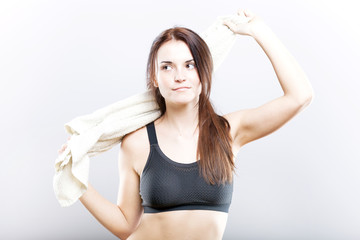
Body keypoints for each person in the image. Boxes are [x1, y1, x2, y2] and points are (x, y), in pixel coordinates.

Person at [58, 9, 313, 240]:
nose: (179, 76)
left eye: (189, 65)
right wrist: (77, 181)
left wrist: (260, 31)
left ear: (203, 73)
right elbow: (126, 226)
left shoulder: (229, 132)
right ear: (155, 78)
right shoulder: (136, 143)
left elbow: (300, 96)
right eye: (167, 67)